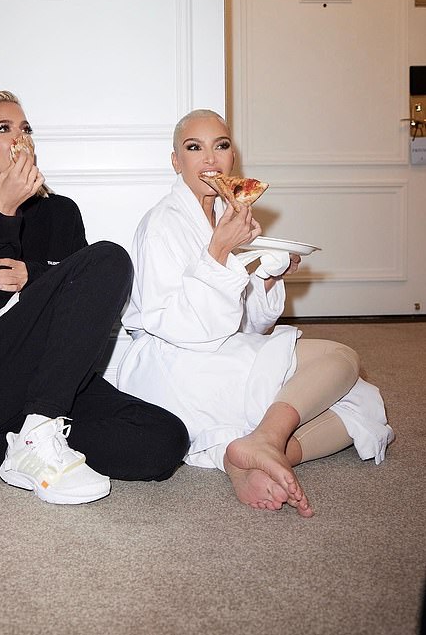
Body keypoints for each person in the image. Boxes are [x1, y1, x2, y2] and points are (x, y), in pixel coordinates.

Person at [0, 90, 189, 505]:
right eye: (3, 129)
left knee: (163, 441)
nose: (21, 137)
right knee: (110, 257)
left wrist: (32, 276)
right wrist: (3, 210)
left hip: (37, 386)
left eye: (26, 128)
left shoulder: (59, 212)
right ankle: (35, 433)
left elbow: (81, 308)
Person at [116, 109, 394, 517]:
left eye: (221, 146)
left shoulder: (226, 216)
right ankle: (266, 438)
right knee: (341, 360)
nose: (210, 159)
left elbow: (247, 323)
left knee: (365, 402)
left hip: (216, 352)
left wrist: (266, 276)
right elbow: (181, 327)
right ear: (176, 160)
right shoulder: (162, 225)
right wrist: (219, 252)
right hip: (173, 366)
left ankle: (245, 455)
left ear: (233, 158)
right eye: (194, 148)